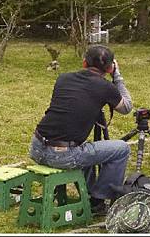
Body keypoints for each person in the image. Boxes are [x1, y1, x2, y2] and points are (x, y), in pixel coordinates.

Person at [29, 44, 133, 215]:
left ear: (84, 63)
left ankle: (89, 195)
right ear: (109, 68)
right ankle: (98, 201)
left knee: (85, 149)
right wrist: (117, 77)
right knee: (121, 149)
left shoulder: (63, 78)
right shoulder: (105, 87)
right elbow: (126, 107)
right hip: (62, 155)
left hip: (36, 147)